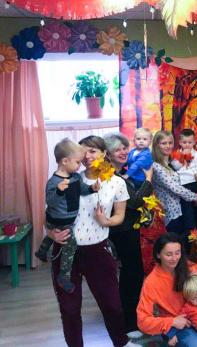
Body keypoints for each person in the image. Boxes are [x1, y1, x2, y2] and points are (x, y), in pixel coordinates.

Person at [46, 135, 133, 347]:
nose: (87, 156)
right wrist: (51, 234)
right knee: (69, 309)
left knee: (112, 304)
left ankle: (122, 343)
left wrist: (107, 221)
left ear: (104, 153)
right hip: (65, 250)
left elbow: (120, 215)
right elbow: (50, 213)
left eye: (92, 151)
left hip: (98, 251)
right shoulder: (67, 179)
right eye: (83, 152)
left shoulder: (117, 182)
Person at [137, 233, 197, 347]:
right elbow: (142, 321)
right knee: (196, 344)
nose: (174, 258)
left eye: (177, 253)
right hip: (179, 326)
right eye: (169, 254)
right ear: (158, 255)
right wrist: (172, 322)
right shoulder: (151, 282)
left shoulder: (192, 268)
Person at [104, 132, 153, 336]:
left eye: (125, 148)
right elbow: (135, 201)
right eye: (117, 149)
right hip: (122, 231)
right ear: (107, 154)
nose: (123, 152)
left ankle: (131, 317)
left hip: (126, 229)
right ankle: (130, 323)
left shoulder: (122, 172)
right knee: (131, 274)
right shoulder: (114, 177)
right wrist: (148, 180)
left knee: (131, 273)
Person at [36, 138, 98, 293]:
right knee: (70, 246)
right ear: (65, 161)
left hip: (67, 219)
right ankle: (64, 276)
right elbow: (50, 201)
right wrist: (58, 191)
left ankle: (41, 251)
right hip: (57, 219)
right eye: (77, 162)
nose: (80, 165)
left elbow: (82, 190)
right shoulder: (53, 182)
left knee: (53, 235)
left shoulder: (76, 177)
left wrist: (92, 188)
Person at [152, 131, 197, 234]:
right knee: (177, 239)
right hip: (172, 213)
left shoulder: (171, 163)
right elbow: (175, 188)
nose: (168, 146)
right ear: (157, 145)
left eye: (170, 143)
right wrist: (195, 197)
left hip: (182, 209)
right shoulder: (156, 166)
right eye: (164, 143)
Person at [172, 128, 197, 235]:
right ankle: (194, 228)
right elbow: (175, 167)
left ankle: (192, 227)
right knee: (189, 204)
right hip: (182, 184)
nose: (187, 145)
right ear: (180, 142)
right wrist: (182, 157)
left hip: (194, 182)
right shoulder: (177, 154)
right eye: (184, 142)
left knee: (189, 202)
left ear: (194, 142)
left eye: (190, 142)